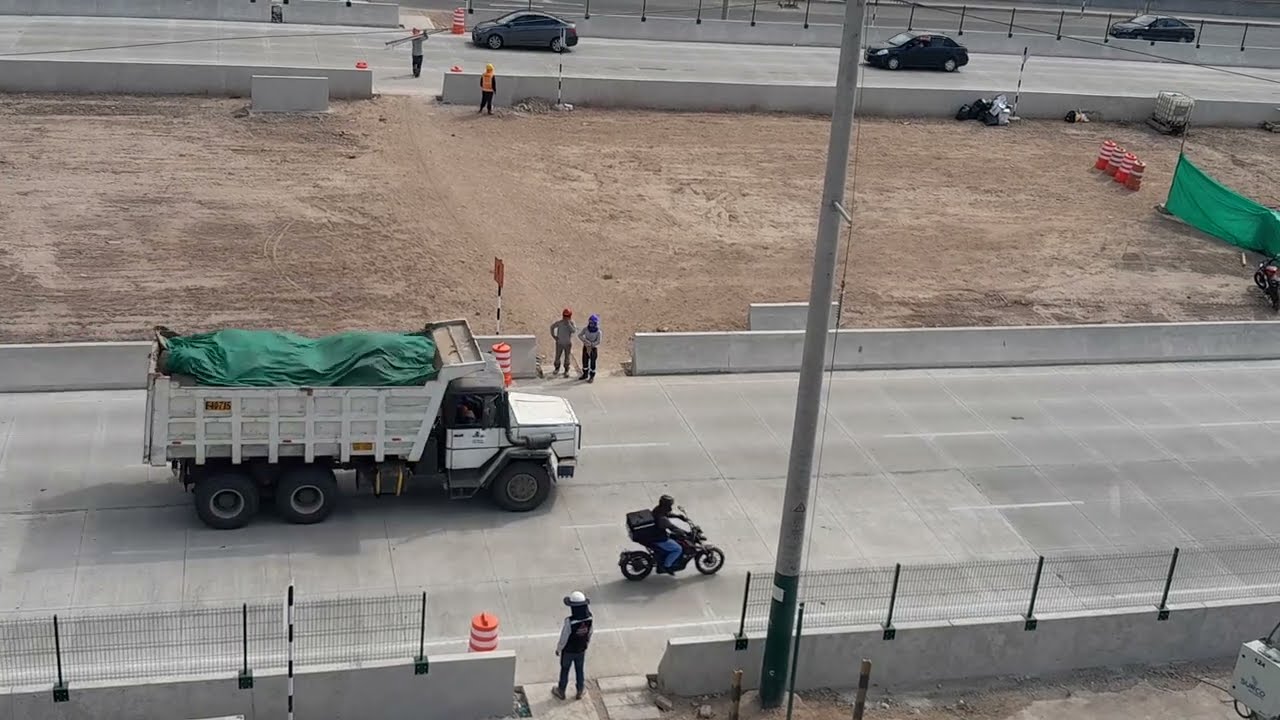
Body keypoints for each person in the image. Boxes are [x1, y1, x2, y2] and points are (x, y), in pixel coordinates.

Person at [552, 591, 593, 701]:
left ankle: (561, 691)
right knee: (580, 670)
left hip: (568, 651)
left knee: (565, 670)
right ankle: (580, 690)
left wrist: (558, 649)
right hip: (581, 650)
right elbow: (590, 633)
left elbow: (564, 638)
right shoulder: (589, 618)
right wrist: (586, 643)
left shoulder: (570, 622)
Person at [652, 494, 687, 574]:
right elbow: (672, 527)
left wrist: (678, 516)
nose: (670, 507)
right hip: (659, 538)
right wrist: (683, 532)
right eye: (670, 505)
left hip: (655, 535)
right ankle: (667, 566)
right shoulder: (662, 519)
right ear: (666, 505)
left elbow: (667, 514)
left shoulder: (657, 509)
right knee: (678, 549)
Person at [550, 308, 577, 378]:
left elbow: (573, 331)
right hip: (559, 343)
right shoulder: (560, 323)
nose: (566, 318)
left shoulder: (571, 323)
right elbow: (552, 327)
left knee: (567, 357)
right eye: (565, 316)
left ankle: (566, 370)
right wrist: (554, 336)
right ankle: (557, 368)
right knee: (557, 356)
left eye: (567, 316)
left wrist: (568, 324)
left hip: (567, 343)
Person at [577, 314, 602, 383]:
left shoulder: (598, 332)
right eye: (590, 322)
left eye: (592, 323)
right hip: (586, 347)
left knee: (592, 363)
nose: (591, 324)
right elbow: (580, 335)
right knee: (585, 361)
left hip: (593, 349)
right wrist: (585, 341)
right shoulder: (586, 329)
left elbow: (598, 341)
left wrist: (592, 344)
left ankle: (592, 376)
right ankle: (585, 374)